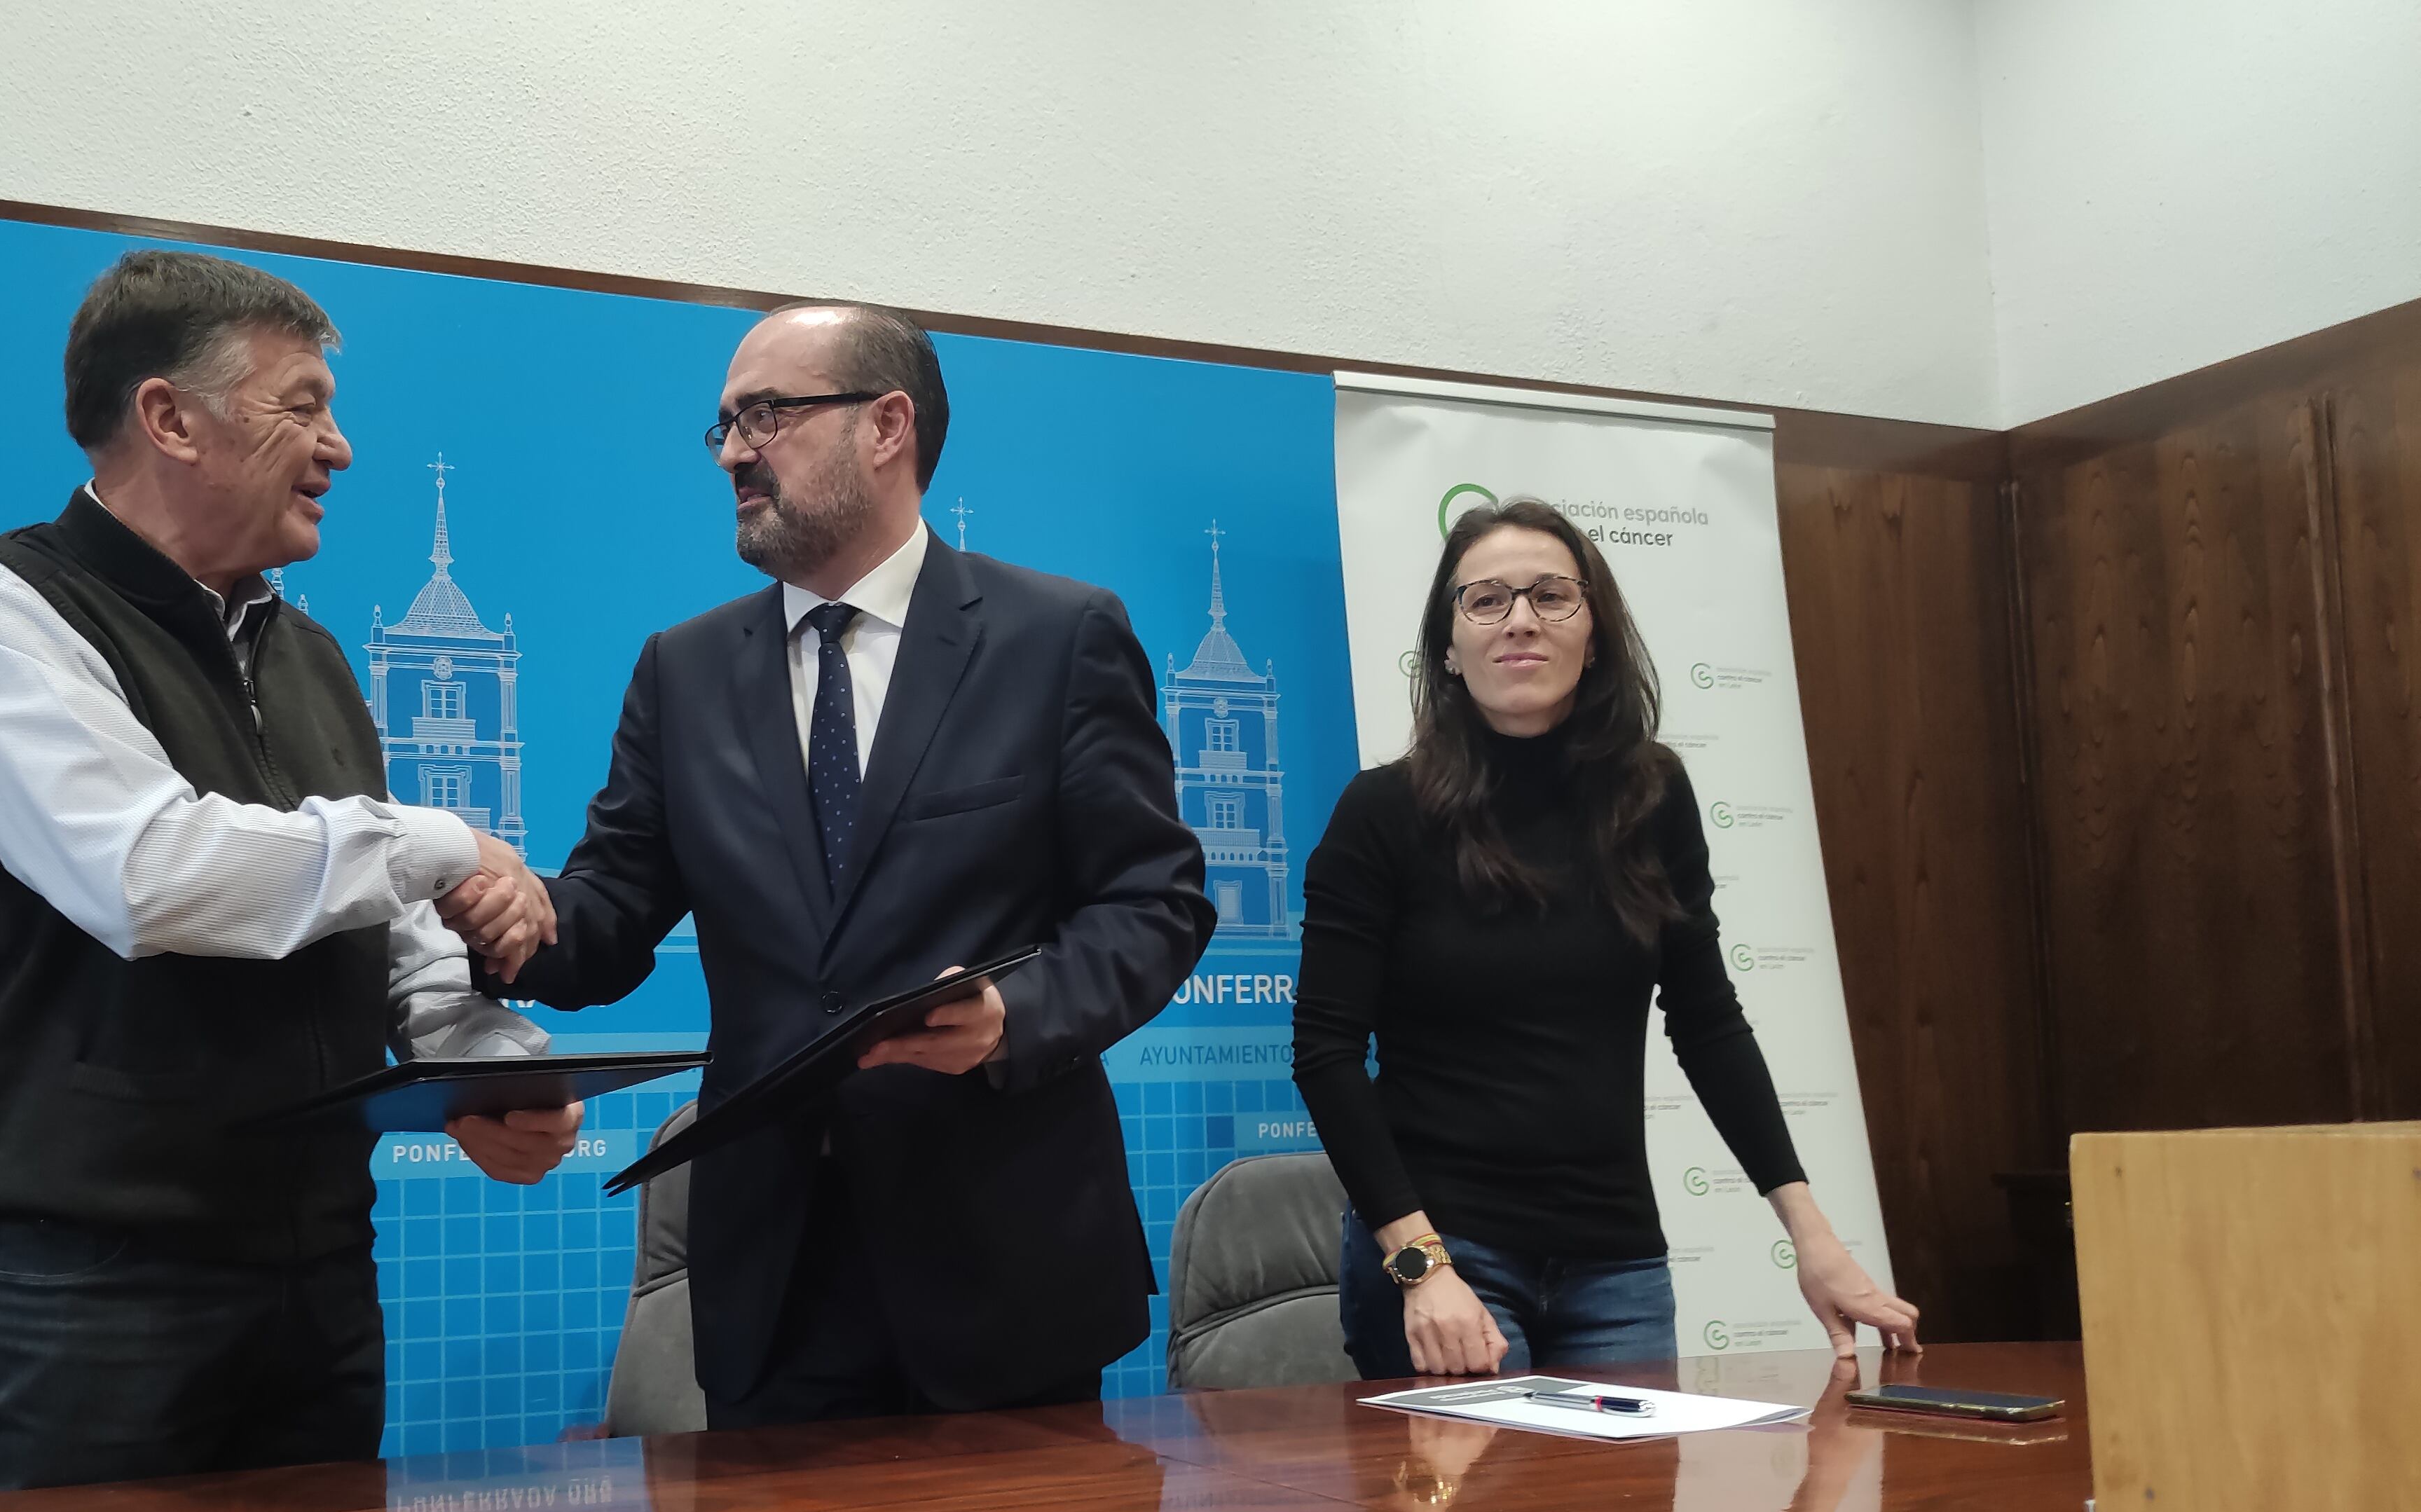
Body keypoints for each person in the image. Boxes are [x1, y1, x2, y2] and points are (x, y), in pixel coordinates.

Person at [0, 249, 581, 1490]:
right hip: (93, 1295)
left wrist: (481, 1068)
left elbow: (397, 939)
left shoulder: (309, 650)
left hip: (318, 1275)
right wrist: (442, 842)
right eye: (303, 405)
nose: (341, 447)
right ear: (169, 418)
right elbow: (148, 869)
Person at [506, 301, 1214, 1427]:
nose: (735, 450)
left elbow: (1155, 902)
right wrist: (504, 912)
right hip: (776, 1282)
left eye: (769, 415)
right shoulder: (682, 672)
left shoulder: (1057, 637)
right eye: (725, 425)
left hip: (1003, 1267)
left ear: (888, 426)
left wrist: (1014, 1015)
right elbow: (610, 915)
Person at [1290, 499, 1919, 1377]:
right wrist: (1419, 1265)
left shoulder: (1652, 799)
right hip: (1449, 1260)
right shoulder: (1382, 813)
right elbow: (1323, 1052)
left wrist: (1813, 1237)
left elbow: (1707, 1022)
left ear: (1595, 634)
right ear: (1446, 646)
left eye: (1551, 595)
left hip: (1618, 1271)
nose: (1519, 619)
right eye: (1485, 600)